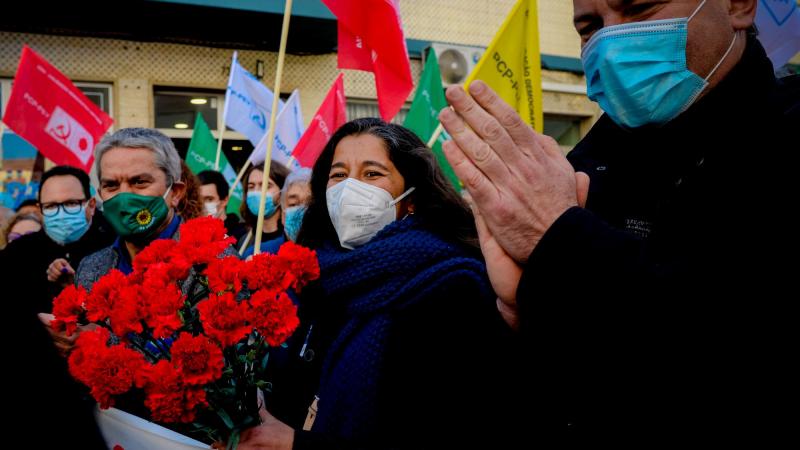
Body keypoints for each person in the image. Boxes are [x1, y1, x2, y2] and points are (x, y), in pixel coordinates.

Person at [437, 0, 799, 442]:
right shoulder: (583, 164)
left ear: (738, 6)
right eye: (589, 28)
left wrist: (560, 244)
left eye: (640, 9)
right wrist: (519, 315)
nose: (609, 44)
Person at [238, 118, 522, 449]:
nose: (349, 188)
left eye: (372, 174)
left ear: (412, 196)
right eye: (339, 175)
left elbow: (450, 430)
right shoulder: (319, 279)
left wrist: (296, 444)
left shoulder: (453, 287)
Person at [0, 166, 115, 313]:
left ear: (91, 205)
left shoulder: (116, 242)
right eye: (51, 206)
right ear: (40, 210)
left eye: (71, 203)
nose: (61, 213)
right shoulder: (21, 251)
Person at [241, 167, 311, 257]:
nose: (258, 191)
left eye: (309, 204)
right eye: (293, 204)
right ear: (283, 213)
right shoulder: (256, 252)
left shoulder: (333, 254)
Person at [238, 160, 289, 254]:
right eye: (251, 186)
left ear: (282, 192)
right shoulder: (244, 242)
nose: (257, 191)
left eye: (266, 186)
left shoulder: (290, 238)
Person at [198, 169, 247, 241]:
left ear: (224, 200)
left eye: (209, 199)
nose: (202, 205)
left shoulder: (242, 236)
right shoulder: (192, 234)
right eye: (198, 199)